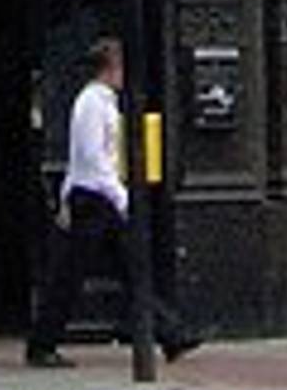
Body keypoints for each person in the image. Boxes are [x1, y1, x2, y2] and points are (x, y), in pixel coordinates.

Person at [23, 35, 195, 370]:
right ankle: (42, 345)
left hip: (96, 199)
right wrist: (121, 197)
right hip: (94, 201)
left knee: (130, 270)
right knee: (70, 278)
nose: (125, 76)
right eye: (122, 68)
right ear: (111, 68)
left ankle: (170, 334)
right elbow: (91, 157)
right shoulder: (91, 103)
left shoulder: (103, 102)